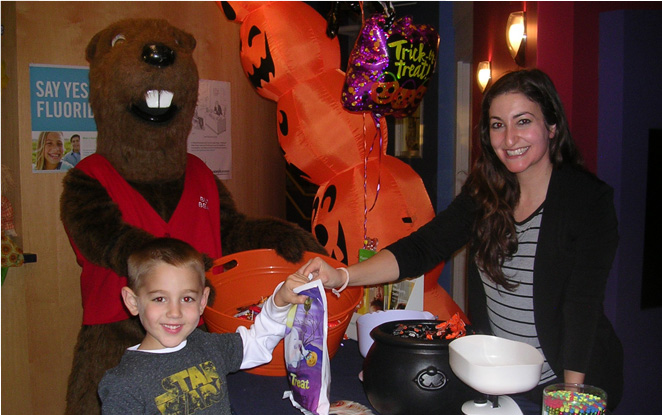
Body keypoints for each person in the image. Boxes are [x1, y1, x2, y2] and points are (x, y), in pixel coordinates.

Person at [301, 69, 623, 412]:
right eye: (498, 125)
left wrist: (568, 400)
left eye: (523, 121)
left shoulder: (587, 200)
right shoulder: (485, 193)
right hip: (497, 379)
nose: (510, 138)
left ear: (552, 126)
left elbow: (582, 307)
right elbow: (422, 247)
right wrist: (343, 276)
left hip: (562, 381)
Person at [98, 237, 311, 415]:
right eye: (160, 299)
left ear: (202, 302)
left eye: (187, 299)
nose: (175, 312)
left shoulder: (210, 347)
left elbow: (257, 344)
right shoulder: (124, 383)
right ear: (133, 302)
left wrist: (279, 302)